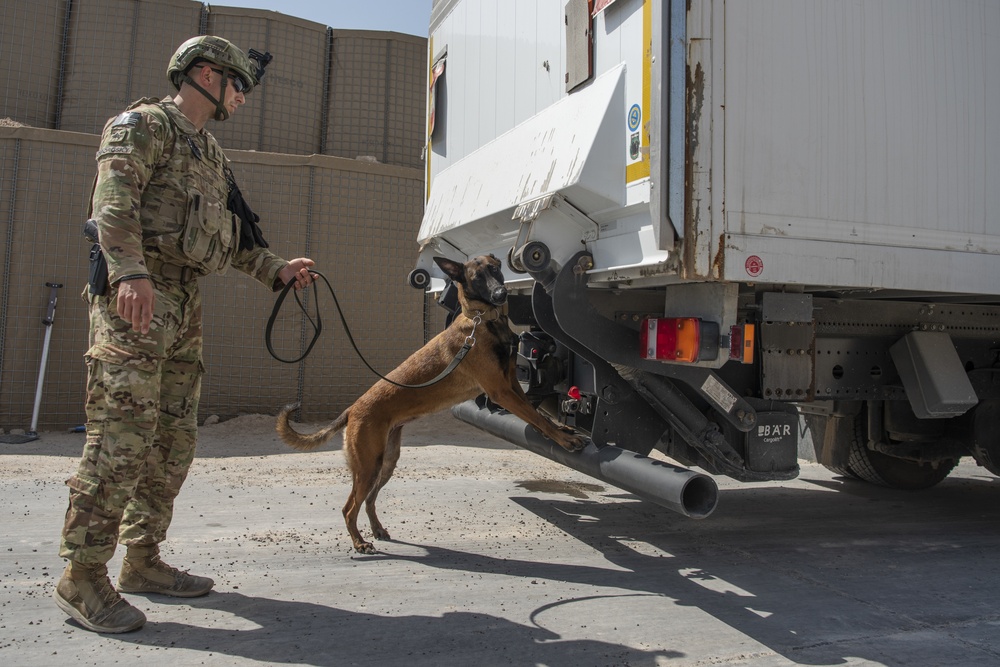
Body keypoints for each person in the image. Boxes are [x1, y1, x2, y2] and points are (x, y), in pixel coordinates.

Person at [54, 35, 315, 634]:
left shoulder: (211, 154)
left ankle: (142, 561)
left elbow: (234, 233)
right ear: (204, 74)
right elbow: (112, 205)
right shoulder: (144, 125)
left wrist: (277, 268)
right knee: (121, 437)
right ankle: (81, 577)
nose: (243, 98)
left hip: (182, 303)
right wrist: (130, 273)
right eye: (237, 86)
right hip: (136, 297)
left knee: (172, 440)